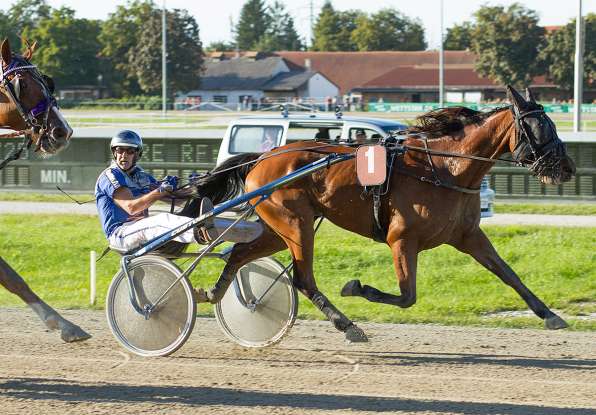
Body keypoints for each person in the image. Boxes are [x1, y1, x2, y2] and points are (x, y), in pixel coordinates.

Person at [95, 130, 215, 252]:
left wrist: (196, 186)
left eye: (130, 151)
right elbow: (131, 207)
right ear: (114, 153)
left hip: (139, 230)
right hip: (120, 234)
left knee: (162, 221)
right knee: (161, 220)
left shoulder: (141, 176)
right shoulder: (110, 176)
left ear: (137, 154)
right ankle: (201, 232)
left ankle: (208, 228)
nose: (124, 155)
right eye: (120, 150)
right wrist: (161, 190)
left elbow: (177, 200)